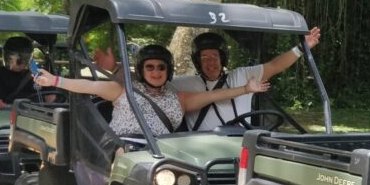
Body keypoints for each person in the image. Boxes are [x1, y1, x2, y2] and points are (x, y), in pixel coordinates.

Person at [34, 44, 269, 137]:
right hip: (125, 149)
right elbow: (88, 85)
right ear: (142, 70)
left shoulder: (179, 97)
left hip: (161, 157)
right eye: (150, 67)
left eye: (161, 67)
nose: (156, 72)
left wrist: (245, 88)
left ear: (168, 70)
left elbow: (214, 95)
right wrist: (55, 80)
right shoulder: (123, 90)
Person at [173, 27, 322, 131]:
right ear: (197, 61)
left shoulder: (242, 76)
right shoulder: (184, 84)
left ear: (223, 58)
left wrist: (301, 48)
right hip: (202, 149)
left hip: (240, 145)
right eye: (204, 58)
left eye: (214, 57)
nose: (210, 62)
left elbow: (275, 66)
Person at [0, 36, 39, 109]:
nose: (12, 66)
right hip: (8, 116)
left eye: (19, 61)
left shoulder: (38, 72)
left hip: (39, 116)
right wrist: (19, 110)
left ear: (27, 59)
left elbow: (51, 99)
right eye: (9, 60)